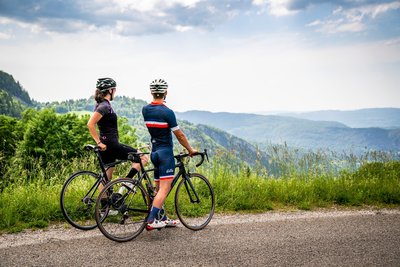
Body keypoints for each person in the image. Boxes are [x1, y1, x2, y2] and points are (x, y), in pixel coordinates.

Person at [142, 78, 197, 230]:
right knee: (164, 189)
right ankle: (152, 220)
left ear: (152, 92)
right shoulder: (168, 112)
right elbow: (180, 135)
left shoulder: (145, 110)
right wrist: (190, 150)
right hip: (165, 154)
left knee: (158, 188)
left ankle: (163, 218)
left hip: (154, 153)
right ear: (165, 92)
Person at [87, 78, 146, 184]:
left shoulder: (101, 105)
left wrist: (100, 143)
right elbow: (90, 124)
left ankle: (104, 201)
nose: (115, 92)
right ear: (110, 90)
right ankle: (125, 184)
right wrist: (98, 143)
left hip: (105, 146)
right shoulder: (104, 106)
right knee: (142, 158)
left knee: (106, 179)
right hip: (111, 145)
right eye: (114, 89)